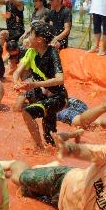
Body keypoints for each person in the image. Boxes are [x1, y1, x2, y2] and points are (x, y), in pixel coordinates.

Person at [13, 21, 67, 150]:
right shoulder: (31, 52)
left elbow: (60, 80)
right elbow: (17, 71)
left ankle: (39, 149)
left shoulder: (52, 53)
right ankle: (73, 135)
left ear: (40, 40)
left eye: (30, 34)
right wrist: (17, 83)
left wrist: (35, 84)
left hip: (57, 97)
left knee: (27, 112)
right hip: (43, 97)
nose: (27, 38)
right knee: (51, 139)